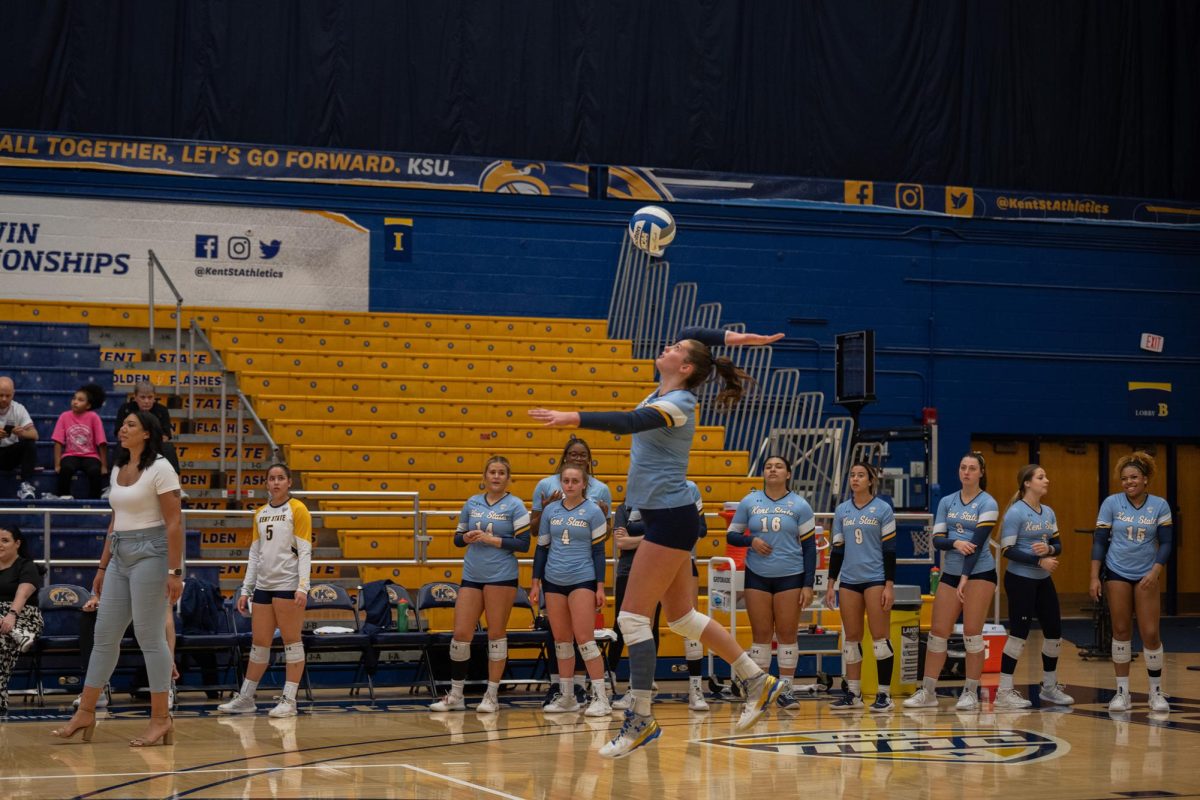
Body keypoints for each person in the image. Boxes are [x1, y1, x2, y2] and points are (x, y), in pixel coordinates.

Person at [530, 325, 786, 758]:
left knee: (631, 618)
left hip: (669, 521)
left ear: (685, 367)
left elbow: (629, 423)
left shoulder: (679, 403)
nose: (667, 345)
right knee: (683, 619)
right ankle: (758, 680)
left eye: (675, 349)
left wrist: (573, 418)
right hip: (668, 518)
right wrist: (739, 340)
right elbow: (691, 331)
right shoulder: (665, 388)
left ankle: (641, 719)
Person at [51, 410, 183, 746]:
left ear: (147, 434)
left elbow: (174, 523)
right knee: (104, 636)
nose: (122, 428)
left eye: (130, 425)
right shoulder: (119, 467)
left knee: (149, 636)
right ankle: (86, 711)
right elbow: (115, 521)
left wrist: (174, 571)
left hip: (152, 553)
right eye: (122, 424)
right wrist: (101, 566)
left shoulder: (161, 468)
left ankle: (160, 719)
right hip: (121, 553)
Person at [429, 456, 530, 713]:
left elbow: (524, 543)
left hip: (501, 576)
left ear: (508, 478)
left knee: (496, 634)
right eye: (492, 472)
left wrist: (492, 539)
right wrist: (467, 536)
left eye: (501, 473)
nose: (496, 477)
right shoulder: (472, 503)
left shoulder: (515, 505)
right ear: (484, 476)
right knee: (461, 634)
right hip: (472, 574)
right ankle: (456, 695)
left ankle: (492, 695)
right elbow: (457, 539)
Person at [904, 452, 998, 712]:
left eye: (972, 468)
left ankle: (970, 691)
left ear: (981, 473)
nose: (966, 472)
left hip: (979, 573)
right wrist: (955, 542)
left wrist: (965, 577)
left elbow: (977, 545)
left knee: (972, 634)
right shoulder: (947, 501)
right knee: (937, 634)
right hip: (952, 573)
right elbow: (937, 540)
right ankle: (928, 690)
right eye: (963, 467)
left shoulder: (988, 503)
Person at [218, 463, 313, 718]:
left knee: (292, 643)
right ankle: (247, 697)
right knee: (259, 644)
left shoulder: (298, 509)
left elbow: (304, 550)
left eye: (281, 478)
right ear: (267, 483)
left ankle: (289, 700)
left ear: (289, 482)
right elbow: (254, 554)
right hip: (263, 587)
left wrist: (303, 586)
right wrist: (246, 589)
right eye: (272, 478)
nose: (276, 483)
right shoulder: (259, 513)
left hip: (288, 585)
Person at [610, 479, 709, 712]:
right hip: (647, 565)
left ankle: (696, 689)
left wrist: (646, 535)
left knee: (689, 622)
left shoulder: (688, 488)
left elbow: (700, 529)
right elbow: (622, 538)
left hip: (681, 562)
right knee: (640, 624)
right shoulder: (641, 488)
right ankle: (638, 690)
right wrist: (660, 533)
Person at [725, 455, 816, 710]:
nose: (772, 470)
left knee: (787, 634)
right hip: (757, 576)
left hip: (790, 576)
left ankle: (786, 690)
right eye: (768, 466)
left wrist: (808, 584)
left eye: (778, 466)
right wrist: (750, 541)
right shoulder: (749, 501)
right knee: (761, 635)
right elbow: (731, 535)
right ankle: (761, 691)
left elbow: (810, 548)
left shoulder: (800, 505)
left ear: (788, 474)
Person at [530, 435, 611, 707]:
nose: (570, 485)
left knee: (585, 640)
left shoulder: (594, 511)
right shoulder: (550, 510)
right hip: (553, 581)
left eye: (575, 481)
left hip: (583, 580)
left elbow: (599, 552)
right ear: (561, 482)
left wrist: (600, 587)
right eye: (566, 481)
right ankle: (566, 697)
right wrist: (535, 583)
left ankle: (600, 697)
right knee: (562, 640)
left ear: (584, 483)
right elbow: (541, 548)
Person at [1090, 451, 1173, 713]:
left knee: (1150, 633)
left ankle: (1155, 692)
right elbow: (1100, 541)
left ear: (1145, 479)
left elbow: (1168, 542)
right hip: (1117, 572)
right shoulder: (1111, 503)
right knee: (1121, 630)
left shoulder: (1160, 505)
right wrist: (1094, 576)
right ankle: (1122, 692)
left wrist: (1156, 571)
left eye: (1134, 477)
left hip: (1147, 574)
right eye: (1124, 478)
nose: (1129, 482)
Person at [996, 464, 1074, 709]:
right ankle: (1004, 691)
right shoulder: (1016, 513)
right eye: (1041, 477)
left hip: (1042, 581)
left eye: (1046, 476)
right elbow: (1007, 550)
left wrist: (1049, 549)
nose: (1046, 480)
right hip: (1020, 580)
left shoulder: (1048, 512)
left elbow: (1058, 544)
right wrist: (1039, 559)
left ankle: (1049, 688)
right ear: (1027, 483)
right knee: (1019, 634)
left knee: (1054, 633)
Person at [825, 461, 897, 712]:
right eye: (852, 475)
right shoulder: (842, 510)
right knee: (852, 639)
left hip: (876, 579)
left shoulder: (883, 509)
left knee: (879, 639)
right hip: (849, 581)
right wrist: (831, 583)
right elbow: (837, 549)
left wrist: (889, 585)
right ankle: (853, 694)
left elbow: (890, 551)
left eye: (860, 475)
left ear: (870, 480)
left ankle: (885, 695)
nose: (855, 479)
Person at [0, 524, 43, 715]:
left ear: (17, 543)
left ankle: (19, 632)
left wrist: (11, 615)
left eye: (4, 540)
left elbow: (22, 594)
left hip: (23, 615)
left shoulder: (27, 566)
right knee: (2, 640)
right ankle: (18, 636)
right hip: (5, 623)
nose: (0, 544)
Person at [49, 383, 108, 500]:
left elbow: (101, 442)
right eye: (74, 398)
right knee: (66, 469)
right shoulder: (64, 416)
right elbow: (58, 441)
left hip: (90, 455)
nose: (75, 402)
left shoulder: (93, 417)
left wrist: (104, 465)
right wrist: (57, 464)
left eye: (80, 400)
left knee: (94, 471)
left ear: (88, 405)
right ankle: (64, 496)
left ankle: (94, 499)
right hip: (70, 454)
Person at [114, 382, 180, 474]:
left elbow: (166, 436)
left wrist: (145, 441)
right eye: (142, 397)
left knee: (168, 447)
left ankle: (174, 478)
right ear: (135, 396)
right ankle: (115, 478)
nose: (146, 401)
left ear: (154, 397)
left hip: (154, 445)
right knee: (120, 446)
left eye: (150, 397)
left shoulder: (162, 410)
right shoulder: (126, 408)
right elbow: (119, 434)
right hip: (132, 444)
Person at [0, 376, 39, 500]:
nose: (4, 399)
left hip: (10, 454)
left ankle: (25, 485)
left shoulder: (18, 408)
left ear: (13, 394)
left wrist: (22, 433)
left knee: (29, 443)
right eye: (0, 395)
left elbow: (35, 435)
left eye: (8, 395)